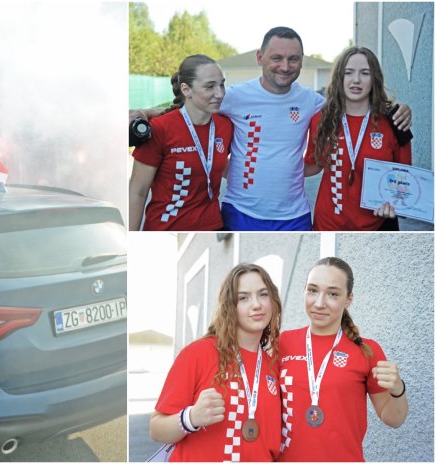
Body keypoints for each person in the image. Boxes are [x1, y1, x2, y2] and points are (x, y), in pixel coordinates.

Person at [130, 27, 411, 231]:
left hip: (296, 216)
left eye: (294, 59)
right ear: (259, 57)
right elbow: (192, 107)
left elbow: (353, 105)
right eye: (276, 58)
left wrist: (396, 110)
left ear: (302, 60)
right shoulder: (234, 96)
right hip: (241, 212)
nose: (285, 67)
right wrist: (148, 113)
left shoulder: (313, 102)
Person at [278, 257, 408, 461]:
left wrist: (398, 388)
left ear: (349, 299)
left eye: (332, 294)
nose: (319, 303)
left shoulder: (367, 350)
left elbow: (394, 419)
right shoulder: (281, 343)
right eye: (312, 290)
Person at [150, 263, 283, 461]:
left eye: (263, 294)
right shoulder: (199, 353)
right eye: (243, 298)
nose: (256, 304)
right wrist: (191, 417)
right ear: (230, 306)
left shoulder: (273, 364)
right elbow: (156, 429)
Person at [304, 47, 412, 231]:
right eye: (348, 73)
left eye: (365, 73)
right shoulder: (322, 119)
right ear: (340, 78)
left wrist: (395, 203)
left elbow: (404, 181)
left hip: (377, 225)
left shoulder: (395, 121)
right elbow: (312, 165)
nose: (356, 80)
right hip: (328, 224)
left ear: (374, 79)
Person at [129, 54, 233, 231]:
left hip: (213, 226)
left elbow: (219, 165)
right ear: (186, 90)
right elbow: (138, 192)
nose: (220, 93)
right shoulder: (160, 129)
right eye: (210, 86)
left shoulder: (225, 125)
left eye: (222, 84)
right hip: (166, 229)